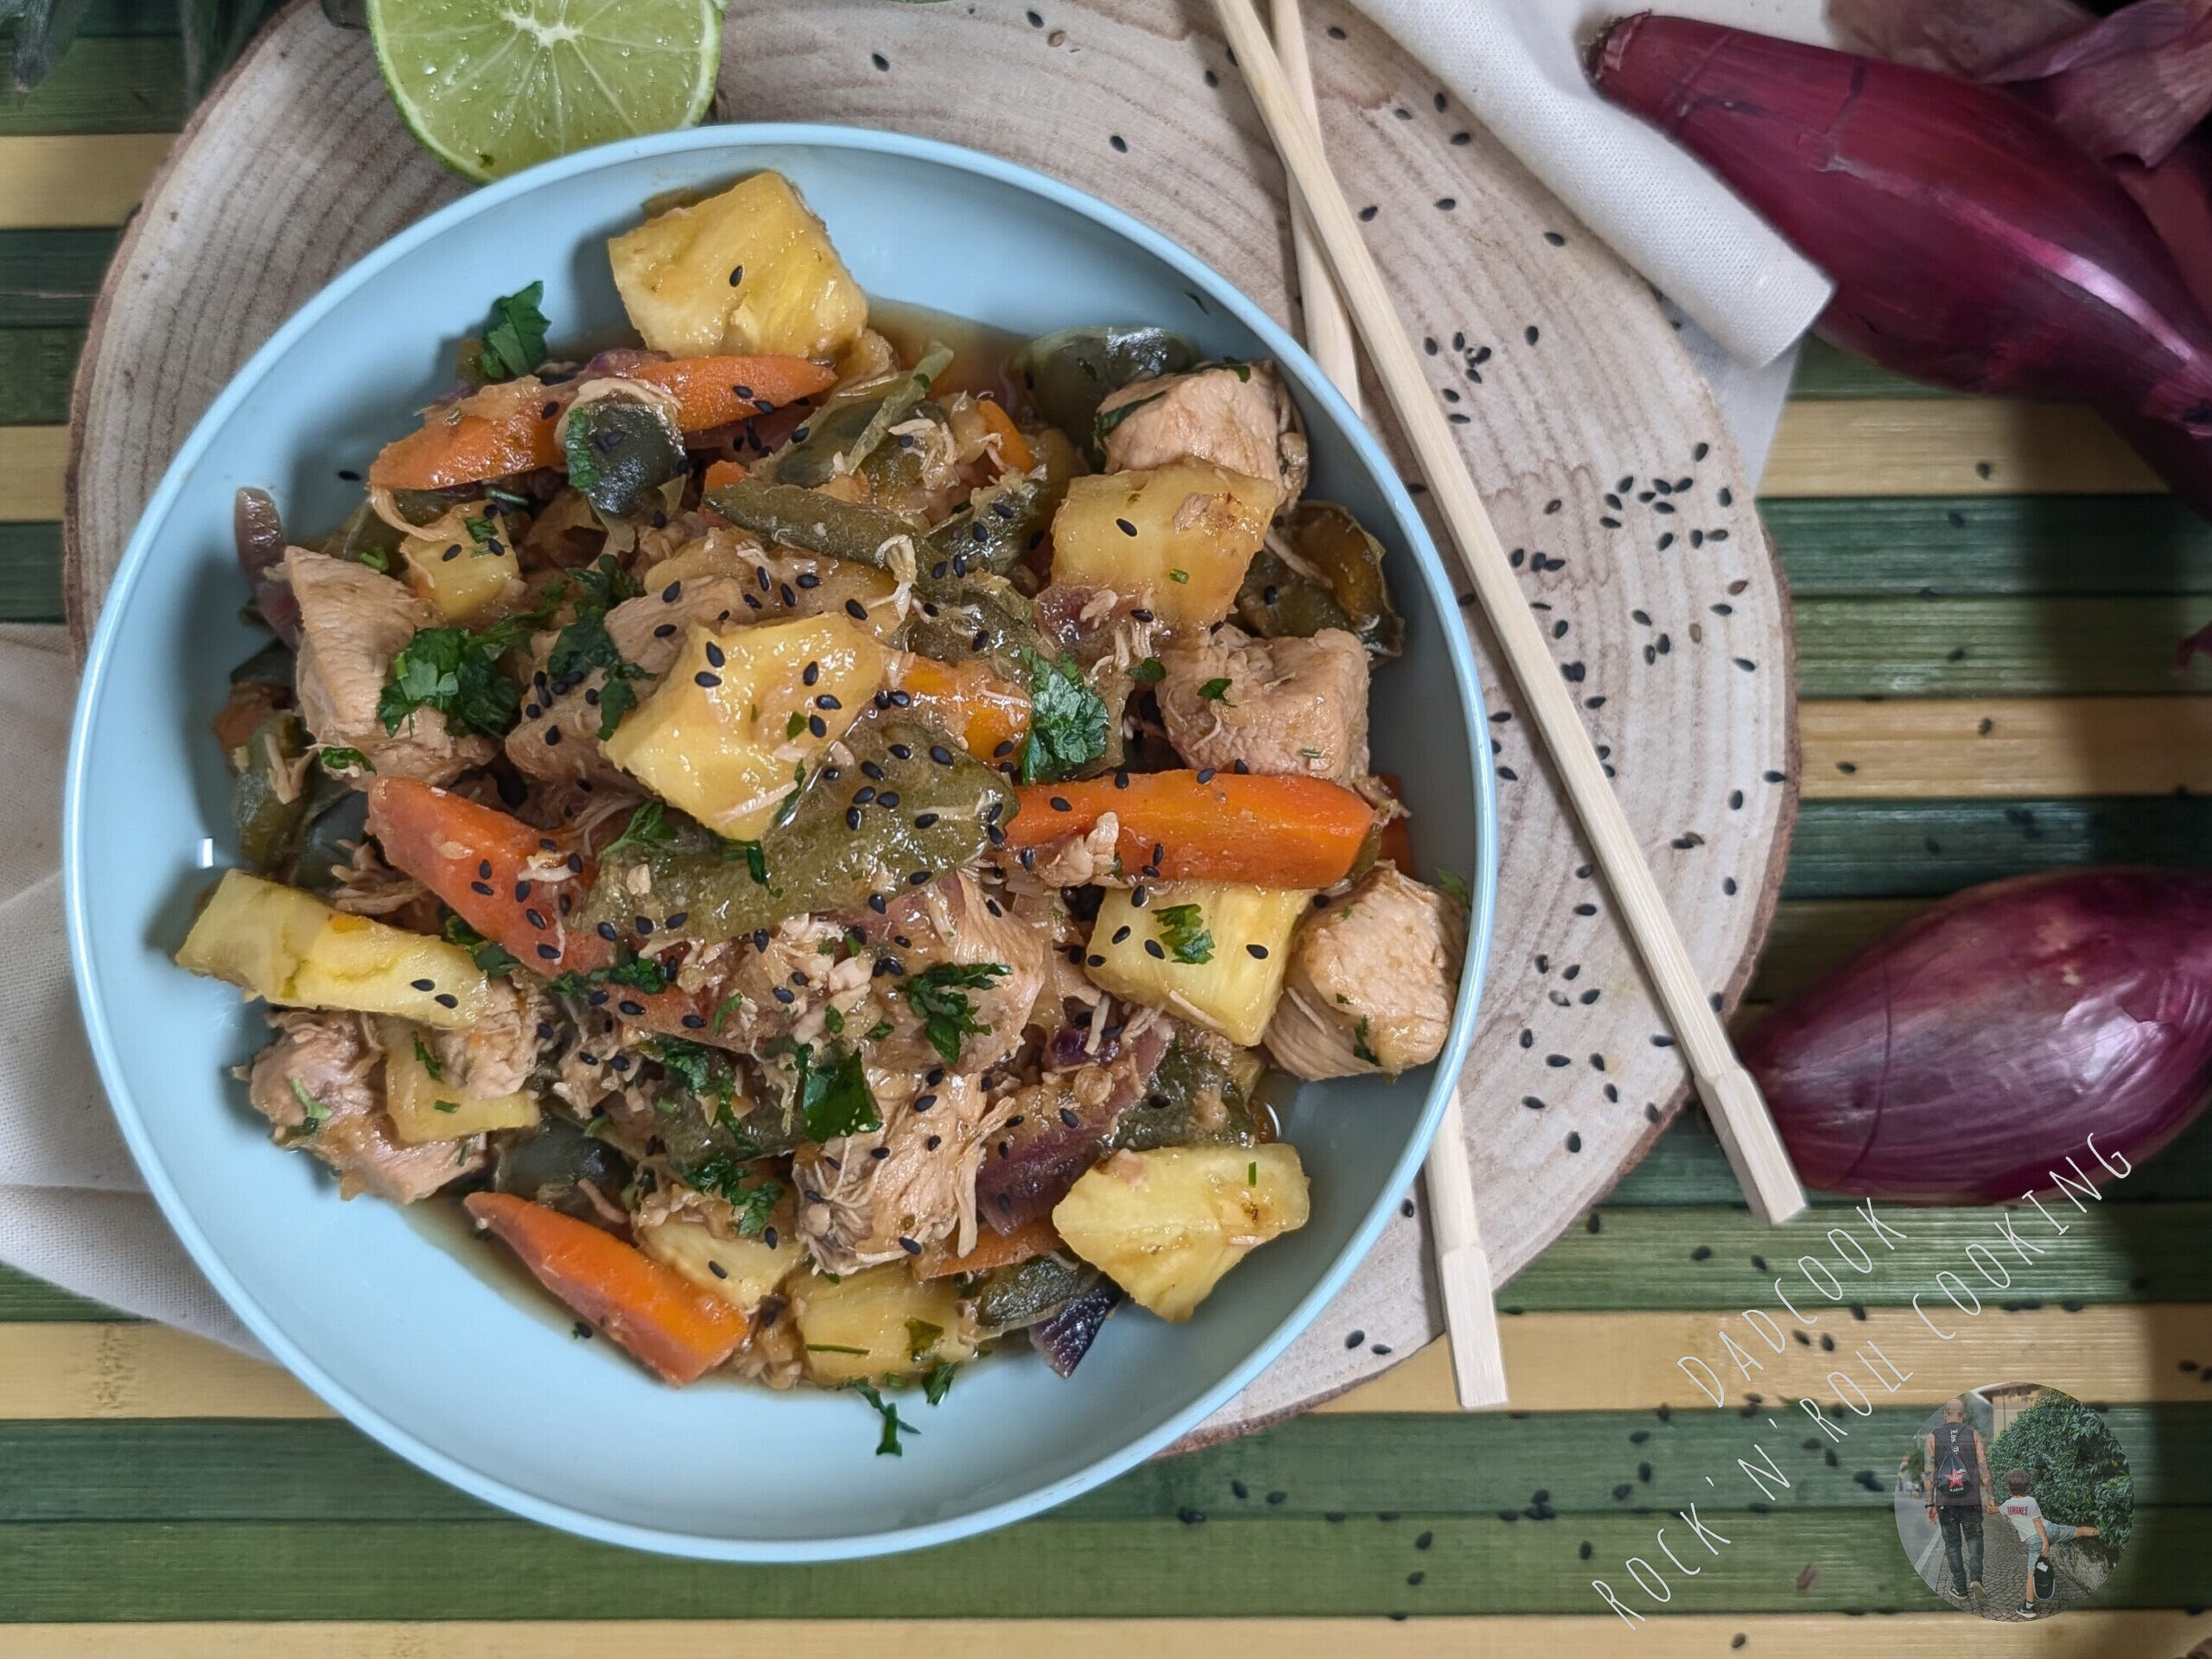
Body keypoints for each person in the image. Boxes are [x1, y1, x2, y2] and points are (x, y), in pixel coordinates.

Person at [1998, 1466, 2101, 1619]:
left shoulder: (2007, 1505)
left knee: (2031, 1573)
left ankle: (2028, 1608)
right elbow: (2039, 1522)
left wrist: (2045, 1543)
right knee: (2076, 1531)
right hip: (2051, 1529)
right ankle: (2103, 1532)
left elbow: (2036, 1524)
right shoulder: (2030, 1501)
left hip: (2038, 1539)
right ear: (2027, 1486)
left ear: (2008, 1487)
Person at [1923, 1398, 1998, 1604]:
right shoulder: (1973, 1434)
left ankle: (1960, 1588)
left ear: (1945, 1415)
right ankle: (1976, 1578)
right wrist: (1991, 1496)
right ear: (1963, 1416)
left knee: (1953, 1544)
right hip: (1971, 1499)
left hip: (1946, 1502)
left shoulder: (1932, 1437)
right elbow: (1984, 1468)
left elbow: (1929, 1474)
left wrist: (1929, 1504)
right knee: (1974, 1538)